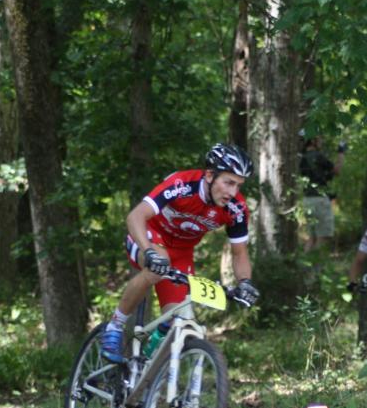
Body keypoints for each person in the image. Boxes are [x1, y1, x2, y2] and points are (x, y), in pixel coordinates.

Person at [100, 143, 259, 362]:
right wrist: (149, 252)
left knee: (180, 320)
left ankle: (143, 367)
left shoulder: (236, 208)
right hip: (148, 235)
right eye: (229, 182)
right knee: (159, 264)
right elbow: (135, 217)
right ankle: (115, 326)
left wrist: (245, 282)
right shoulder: (182, 184)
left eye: (239, 185)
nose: (233, 192)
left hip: (181, 252)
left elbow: (239, 252)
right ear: (210, 175)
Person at [299, 134, 344, 251]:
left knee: (311, 238)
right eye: (319, 138)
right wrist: (341, 151)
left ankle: (306, 267)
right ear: (312, 140)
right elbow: (337, 170)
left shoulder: (302, 158)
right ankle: (318, 268)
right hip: (320, 200)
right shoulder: (318, 156)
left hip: (307, 200)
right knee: (323, 237)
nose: (321, 140)